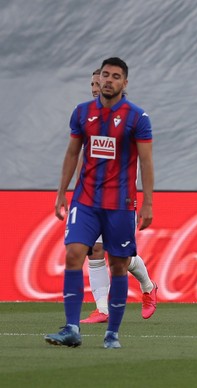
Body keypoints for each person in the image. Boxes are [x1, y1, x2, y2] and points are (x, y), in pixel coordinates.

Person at [45, 57, 154, 348]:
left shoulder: (136, 118)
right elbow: (73, 154)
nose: (105, 82)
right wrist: (62, 192)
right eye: (102, 77)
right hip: (87, 199)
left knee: (119, 264)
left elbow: (145, 161)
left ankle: (116, 329)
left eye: (113, 77)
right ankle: (74, 326)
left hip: (120, 202)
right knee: (77, 253)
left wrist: (148, 202)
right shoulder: (82, 114)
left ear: (124, 82)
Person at [80, 69, 158, 324]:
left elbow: (143, 158)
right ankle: (102, 309)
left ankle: (148, 287)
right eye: (93, 83)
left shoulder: (131, 118)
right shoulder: (88, 117)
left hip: (122, 197)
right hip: (93, 196)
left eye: (99, 82)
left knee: (119, 258)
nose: (95, 86)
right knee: (95, 250)